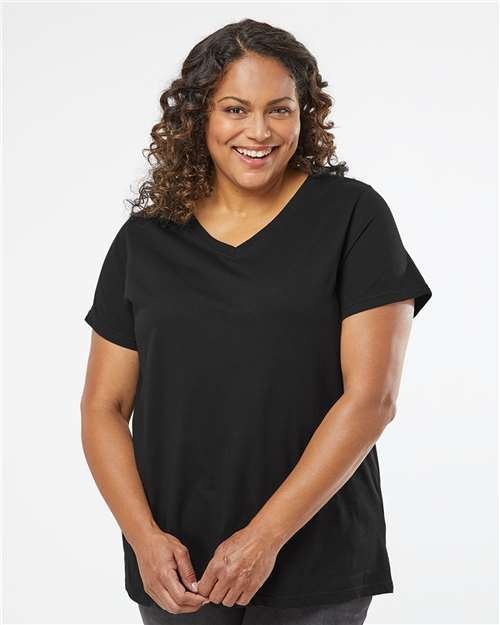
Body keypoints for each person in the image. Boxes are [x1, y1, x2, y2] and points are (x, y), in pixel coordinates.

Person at [81, 17, 432, 625]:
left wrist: (263, 538)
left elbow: (371, 399)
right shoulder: (145, 240)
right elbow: (102, 408)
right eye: (235, 109)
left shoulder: (353, 216)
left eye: (279, 110)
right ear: (199, 117)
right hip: (177, 567)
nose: (259, 131)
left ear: (304, 115)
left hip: (317, 556)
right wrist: (143, 539)